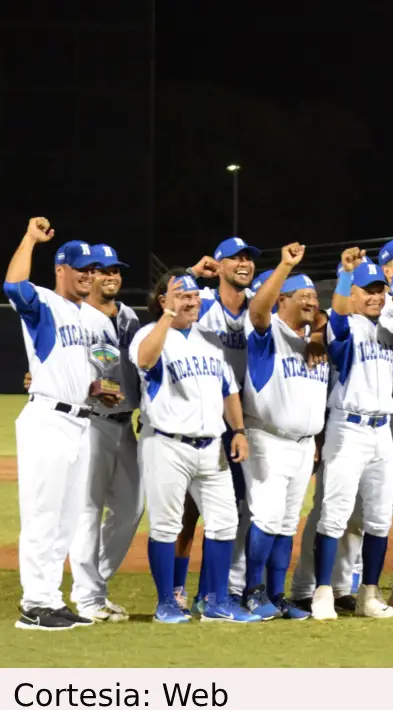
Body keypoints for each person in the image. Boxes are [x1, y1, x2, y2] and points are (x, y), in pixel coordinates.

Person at [130, 272, 256, 623]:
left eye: (194, 297)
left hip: (212, 445)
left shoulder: (211, 340)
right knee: (167, 526)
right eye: (182, 297)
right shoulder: (149, 334)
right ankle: (166, 604)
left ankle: (215, 603)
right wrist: (167, 317)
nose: (191, 302)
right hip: (166, 444)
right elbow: (143, 360)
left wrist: (240, 430)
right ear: (163, 301)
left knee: (225, 523)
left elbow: (228, 390)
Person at [5, 220, 103, 630]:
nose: (88, 274)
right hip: (48, 418)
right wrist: (29, 239)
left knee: (66, 519)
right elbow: (13, 287)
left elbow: (91, 368)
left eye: (92, 268)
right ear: (60, 269)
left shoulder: (88, 317)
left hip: (80, 422)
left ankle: (51, 598)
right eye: (80, 267)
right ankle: (34, 605)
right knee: (43, 516)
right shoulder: (43, 301)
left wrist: (101, 387)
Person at [308, 257, 393, 620]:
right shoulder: (342, 325)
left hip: (383, 430)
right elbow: (338, 323)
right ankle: (322, 593)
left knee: (379, 518)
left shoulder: (389, 329)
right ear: (354, 294)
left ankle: (369, 595)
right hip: (348, 427)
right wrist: (345, 276)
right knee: (334, 515)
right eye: (369, 290)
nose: (376, 296)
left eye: (380, 290)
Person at [240, 243, 328, 621]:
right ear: (282, 299)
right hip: (268, 439)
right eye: (302, 295)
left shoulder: (316, 339)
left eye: (313, 296)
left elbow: (329, 316)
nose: (311, 301)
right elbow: (257, 310)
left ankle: (276, 594)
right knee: (268, 517)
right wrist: (284, 265)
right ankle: (251, 591)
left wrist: (319, 329)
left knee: (288, 522)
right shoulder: (268, 332)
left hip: (303, 444)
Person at [180, 237, 259, 612]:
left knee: (235, 509)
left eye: (249, 258)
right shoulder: (204, 301)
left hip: (241, 417)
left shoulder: (260, 304)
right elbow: (168, 298)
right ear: (220, 265)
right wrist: (192, 273)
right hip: (202, 416)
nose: (244, 263)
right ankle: (177, 589)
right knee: (187, 512)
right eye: (236, 258)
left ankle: (215, 589)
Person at [68, 244, 143, 623]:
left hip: (125, 424)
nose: (111, 276)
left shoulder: (128, 315)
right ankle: (87, 598)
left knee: (132, 508)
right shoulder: (76, 318)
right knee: (88, 511)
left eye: (115, 269)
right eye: (101, 270)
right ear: (88, 276)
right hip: (91, 423)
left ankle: (93, 585)